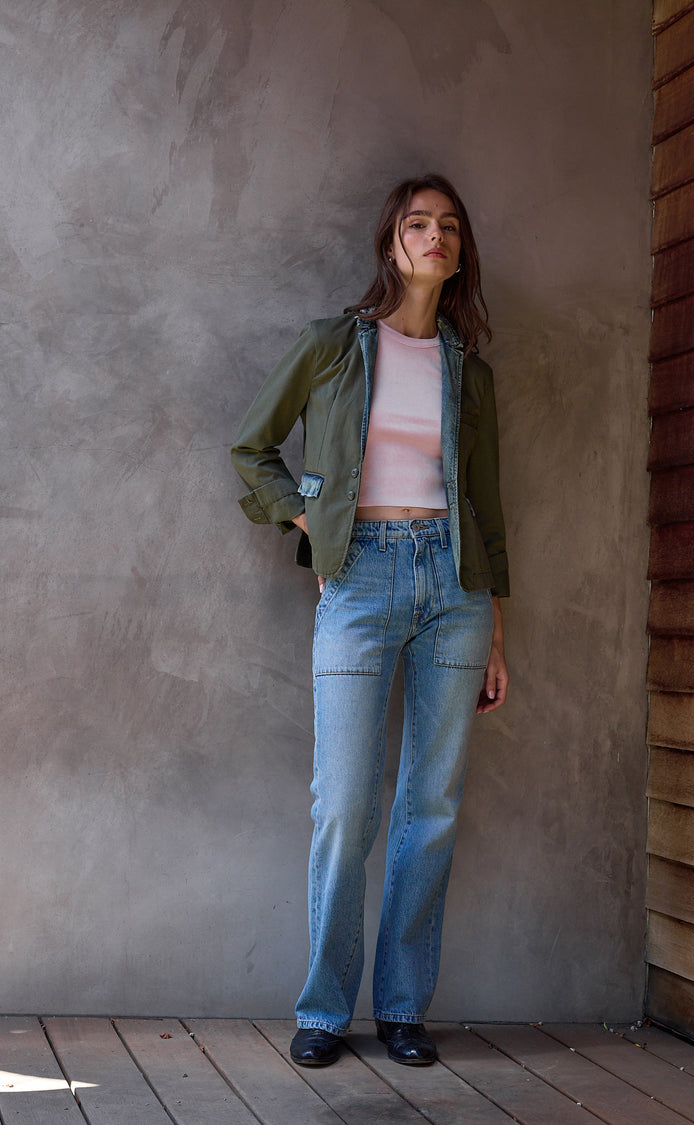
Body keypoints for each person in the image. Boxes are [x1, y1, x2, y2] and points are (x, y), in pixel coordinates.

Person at [231, 173, 509, 1068]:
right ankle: (323, 1010)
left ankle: (400, 1006)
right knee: (345, 803)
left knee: (431, 806)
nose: (435, 236)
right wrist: (311, 521)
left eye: (449, 226)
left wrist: (497, 633)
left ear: (459, 254)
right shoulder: (333, 346)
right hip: (359, 579)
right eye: (418, 223)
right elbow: (252, 447)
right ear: (391, 243)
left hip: (455, 589)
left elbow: (487, 510)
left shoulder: (470, 373)